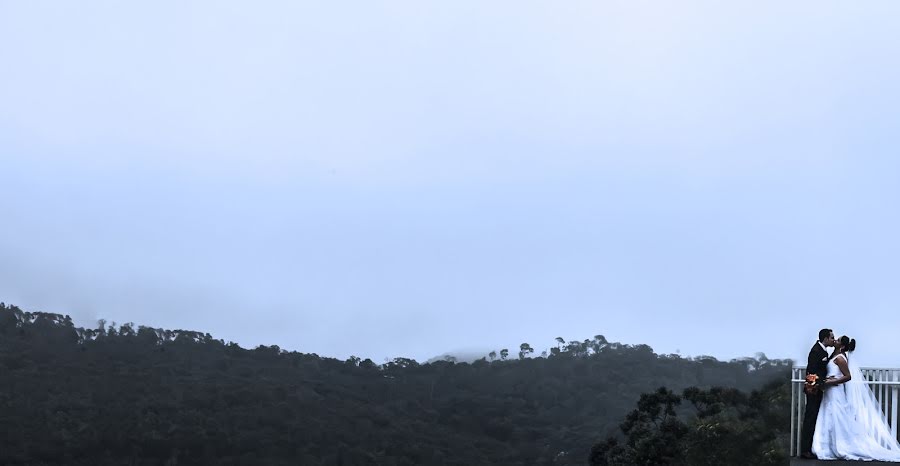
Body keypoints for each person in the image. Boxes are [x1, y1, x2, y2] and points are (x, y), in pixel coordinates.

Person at [811, 336, 900, 461]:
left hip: (836, 391)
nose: (835, 340)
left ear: (842, 346)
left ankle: (841, 446)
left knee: (837, 416)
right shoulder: (833, 356)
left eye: (838, 340)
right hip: (829, 391)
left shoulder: (841, 359)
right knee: (829, 416)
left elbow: (848, 376)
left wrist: (832, 381)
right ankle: (827, 446)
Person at [800, 328, 835, 459]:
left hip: (818, 389)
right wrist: (823, 382)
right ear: (825, 338)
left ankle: (811, 447)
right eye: (831, 337)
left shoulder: (823, 350)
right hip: (813, 390)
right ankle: (805, 450)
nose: (833, 340)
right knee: (810, 418)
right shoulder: (815, 351)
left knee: (814, 418)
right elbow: (812, 372)